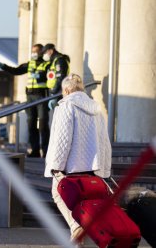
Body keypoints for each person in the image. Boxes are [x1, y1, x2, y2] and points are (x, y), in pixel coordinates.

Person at [44, 74, 112, 243]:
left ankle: (76, 228)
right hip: (92, 165)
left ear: (66, 90)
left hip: (70, 165)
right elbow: (104, 140)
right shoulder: (96, 108)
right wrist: (103, 166)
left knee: (58, 193)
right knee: (84, 199)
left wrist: (56, 165)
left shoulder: (66, 106)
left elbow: (62, 138)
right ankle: (80, 233)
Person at [0, 44, 50, 158]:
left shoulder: (46, 65)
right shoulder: (29, 64)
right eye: (32, 51)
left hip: (41, 96)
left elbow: (51, 78)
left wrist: (41, 76)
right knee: (31, 124)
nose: (34, 54)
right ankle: (35, 150)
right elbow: (16, 71)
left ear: (41, 52)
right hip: (30, 97)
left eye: (36, 51)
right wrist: (3, 66)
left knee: (43, 125)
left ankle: (45, 150)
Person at [41, 43, 70, 110]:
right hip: (54, 91)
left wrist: (54, 91)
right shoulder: (53, 61)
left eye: (45, 52)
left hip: (58, 91)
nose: (44, 55)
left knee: (59, 112)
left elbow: (61, 77)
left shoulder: (59, 60)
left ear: (50, 51)